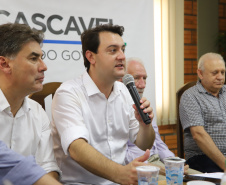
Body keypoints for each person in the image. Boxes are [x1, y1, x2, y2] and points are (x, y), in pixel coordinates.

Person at [51, 24, 155, 185]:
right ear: (91, 57)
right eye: (113, 50)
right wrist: (121, 173)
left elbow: (143, 144)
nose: (121, 56)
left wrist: (145, 125)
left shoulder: (125, 91)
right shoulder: (68, 93)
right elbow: (77, 149)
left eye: (123, 50)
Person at [0, 23, 60, 179]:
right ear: (4, 64)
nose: (44, 67)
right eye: (34, 58)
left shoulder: (38, 112)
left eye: (42, 58)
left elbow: (48, 166)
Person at [179, 52, 226, 173]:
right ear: (200, 73)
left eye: (223, 72)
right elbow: (198, 135)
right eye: (215, 73)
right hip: (202, 157)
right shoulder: (190, 96)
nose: (220, 77)